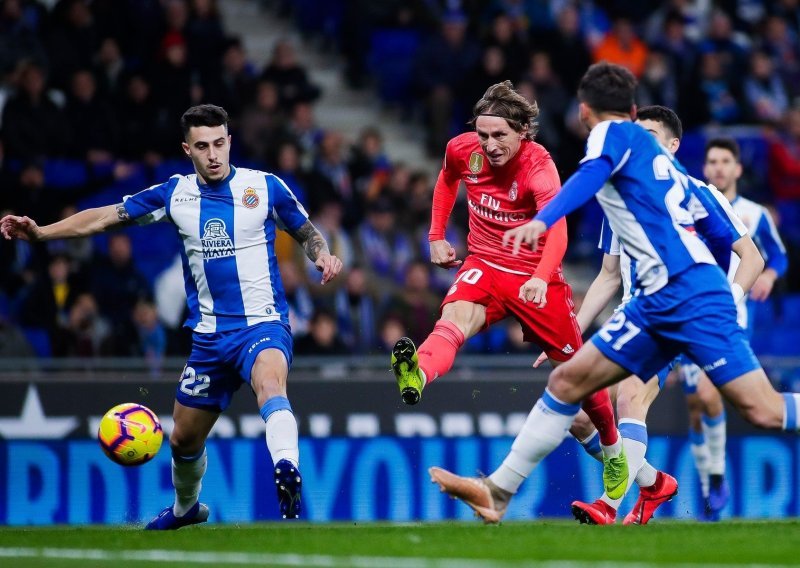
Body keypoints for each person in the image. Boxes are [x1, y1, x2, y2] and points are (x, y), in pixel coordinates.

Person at [428, 62, 800, 524]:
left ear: (584, 110)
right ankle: (497, 492)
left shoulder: (610, 136)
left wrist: (544, 220)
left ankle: (560, 493)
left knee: (763, 410)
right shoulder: (656, 160)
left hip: (688, 295)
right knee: (568, 383)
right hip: (653, 300)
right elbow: (656, 244)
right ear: (633, 109)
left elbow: (589, 177)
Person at [0, 104, 343, 528]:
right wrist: (42, 232)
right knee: (182, 438)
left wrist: (322, 255)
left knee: (270, 383)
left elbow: (306, 231)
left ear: (230, 141)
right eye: (202, 146)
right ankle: (186, 508)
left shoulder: (265, 186)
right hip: (210, 339)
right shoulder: (175, 194)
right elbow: (106, 216)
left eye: (219, 143)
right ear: (187, 149)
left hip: (263, 324)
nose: (213, 154)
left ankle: (287, 468)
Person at [390, 80, 628, 500]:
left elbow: (557, 231)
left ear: (522, 131)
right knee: (453, 320)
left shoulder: (539, 167)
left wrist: (540, 276)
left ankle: (612, 449)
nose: (490, 145)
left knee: (576, 376)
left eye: (499, 135)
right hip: (484, 263)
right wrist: (435, 235)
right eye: (483, 135)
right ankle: (418, 374)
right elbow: (447, 179)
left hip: (535, 275)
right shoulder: (462, 149)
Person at [562, 105, 763, 525]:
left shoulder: (697, 193)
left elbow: (752, 257)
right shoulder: (618, 196)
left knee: (631, 397)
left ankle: (609, 504)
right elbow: (608, 276)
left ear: (672, 146)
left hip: (674, 317)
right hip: (630, 316)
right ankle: (653, 483)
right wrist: (571, 330)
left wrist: (726, 302)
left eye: (649, 136)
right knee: (579, 419)